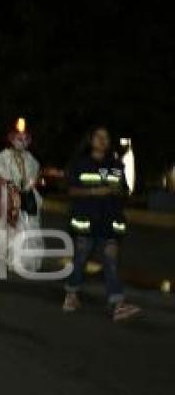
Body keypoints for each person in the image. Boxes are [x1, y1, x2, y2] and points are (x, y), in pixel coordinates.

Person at [63, 126, 141, 322]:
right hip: (85, 220)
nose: (103, 140)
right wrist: (93, 192)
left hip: (109, 221)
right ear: (90, 140)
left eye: (106, 137)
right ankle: (71, 295)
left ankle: (117, 303)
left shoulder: (116, 164)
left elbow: (124, 191)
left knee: (111, 262)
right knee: (80, 260)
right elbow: (71, 191)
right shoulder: (79, 163)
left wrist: (119, 193)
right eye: (99, 136)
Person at [0, 121, 44, 272]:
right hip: (7, 195)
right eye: (18, 139)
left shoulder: (30, 158)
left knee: (26, 226)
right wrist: (1, 179)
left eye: (24, 139)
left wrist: (30, 184)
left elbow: (36, 174)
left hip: (26, 195)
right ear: (12, 140)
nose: (21, 142)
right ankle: (11, 257)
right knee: (10, 226)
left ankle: (22, 259)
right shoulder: (5, 155)